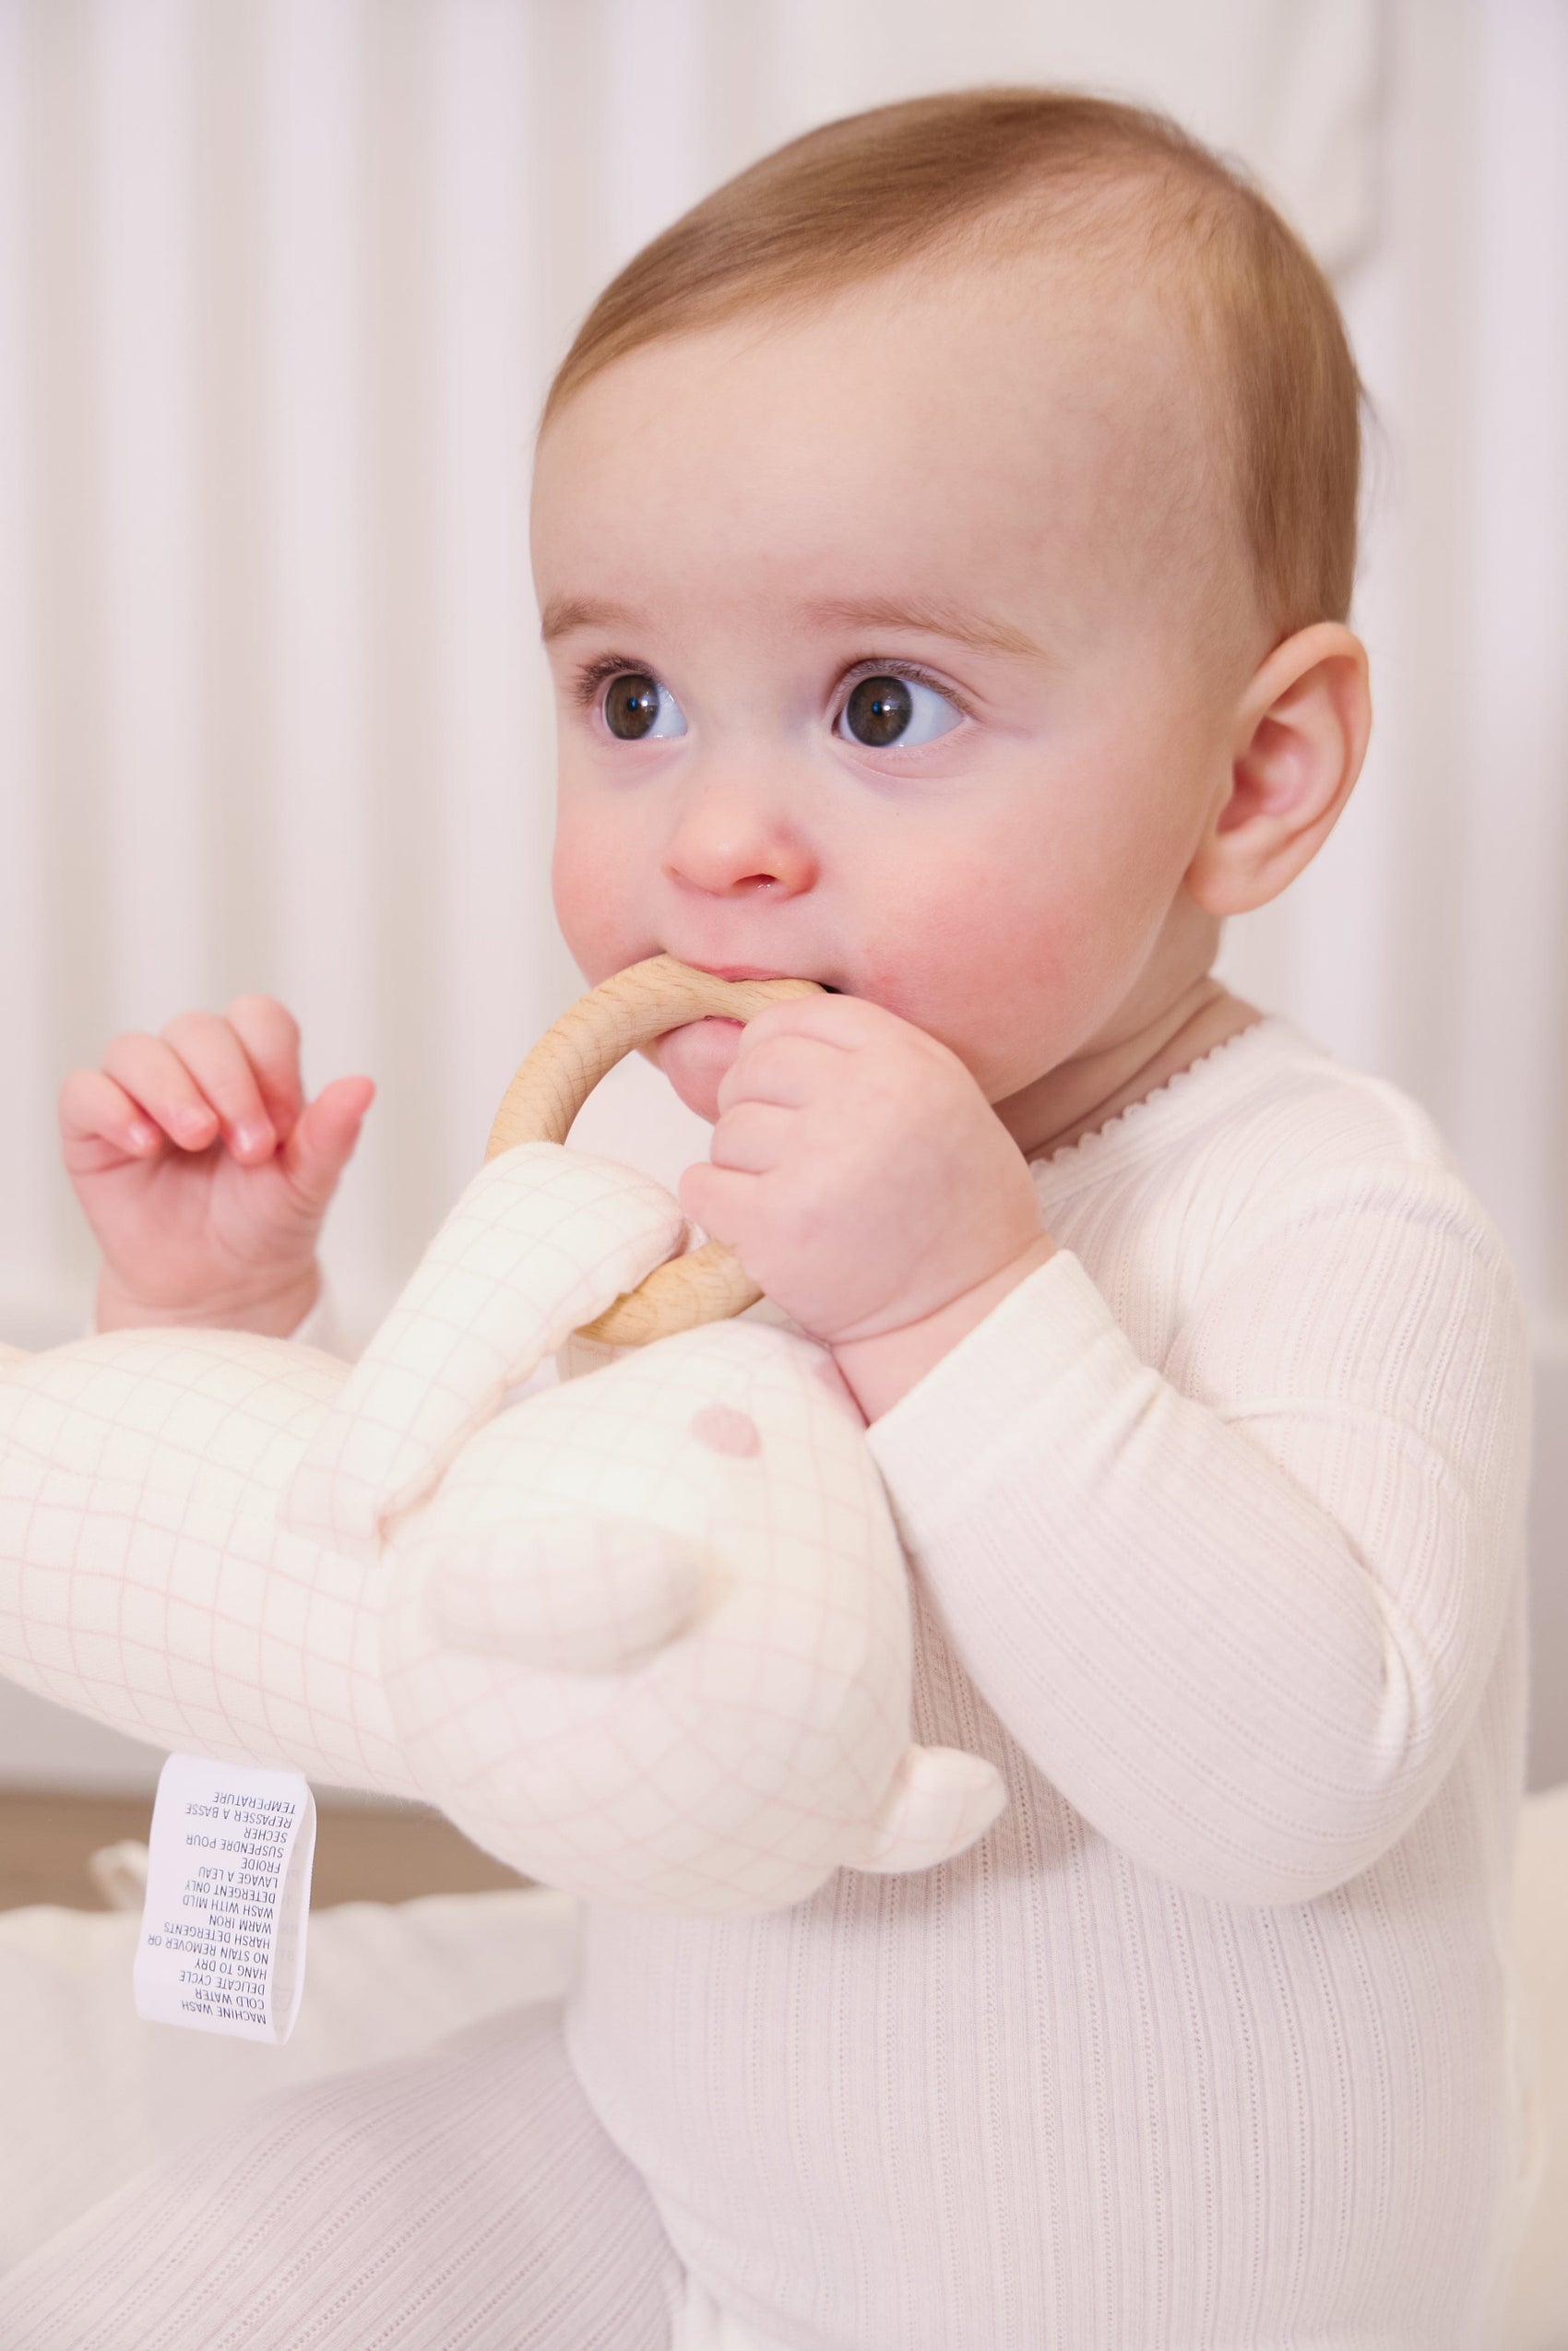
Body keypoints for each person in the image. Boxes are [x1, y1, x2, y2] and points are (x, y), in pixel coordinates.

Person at [18, 88, 1535, 2351]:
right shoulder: (654, 1196)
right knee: (167, 2280)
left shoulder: (1330, 1214)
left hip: (1152, 2293)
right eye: (629, 697)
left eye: (881, 701)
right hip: (673, 2157)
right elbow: (455, 1647)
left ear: (1251, 776)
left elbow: (1296, 1782)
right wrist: (226, 1345)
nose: (714, 833)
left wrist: (959, 1300)